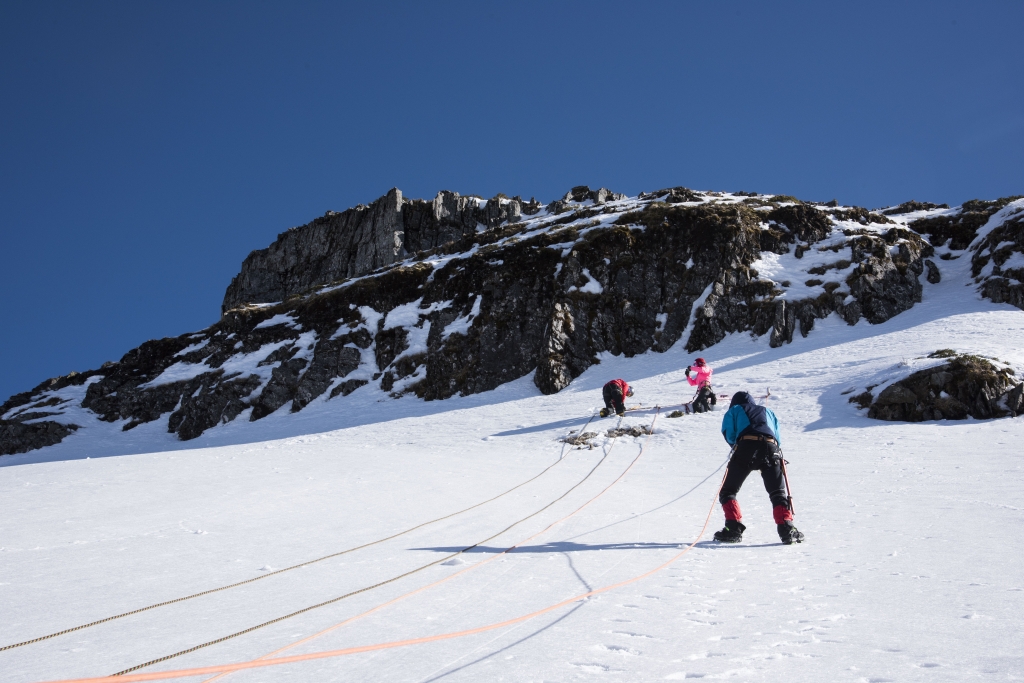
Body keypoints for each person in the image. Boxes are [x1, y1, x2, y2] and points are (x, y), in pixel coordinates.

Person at [714, 391, 804, 545]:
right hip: (771, 448)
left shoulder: (734, 410)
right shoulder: (767, 411)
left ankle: (733, 528)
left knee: (728, 491)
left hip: (746, 446)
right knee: (778, 492)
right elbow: (777, 436)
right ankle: (786, 528)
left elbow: (729, 433)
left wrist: (738, 447)